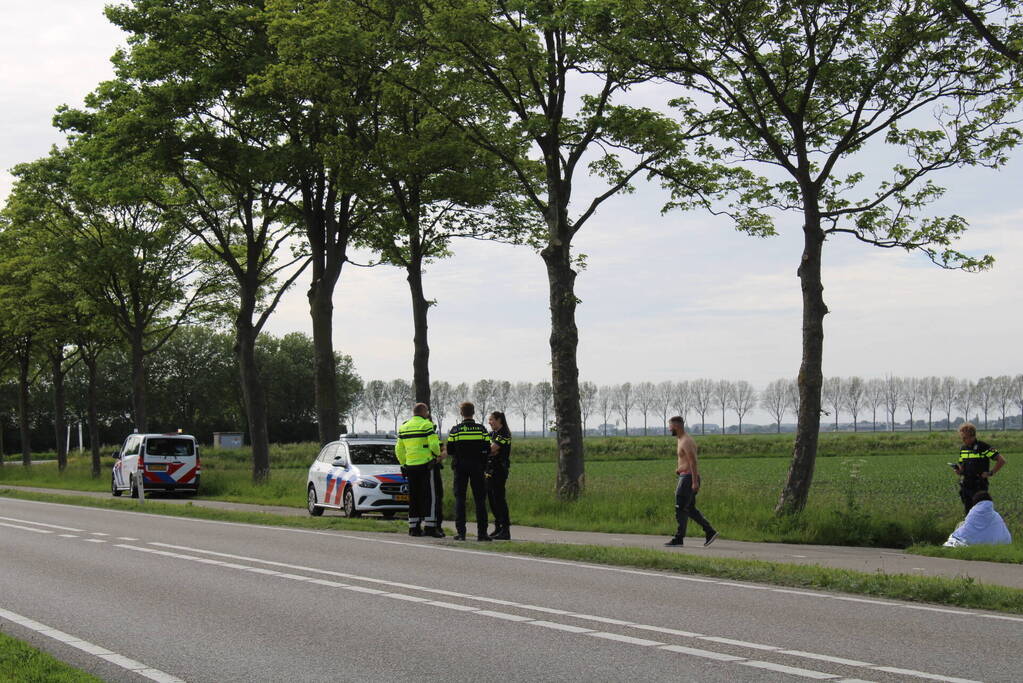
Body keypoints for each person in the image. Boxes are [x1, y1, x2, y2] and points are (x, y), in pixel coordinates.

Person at [664, 416, 718, 548]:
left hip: (688, 479)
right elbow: (686, 462)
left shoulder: (686, 441)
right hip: (685, 477)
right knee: (690, 509)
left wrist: (694, 482)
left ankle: (679, 538)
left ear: (676, 426)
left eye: (670, 426)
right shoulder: (681, 440)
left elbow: (693, 462)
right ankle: (710, 531)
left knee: (680, 508)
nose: (669, 428)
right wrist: (680, 469)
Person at [395, 403, 444, 538]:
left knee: (414, 497)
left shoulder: (404, 427)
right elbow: (434, 444)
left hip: (410, 466)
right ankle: (430, 527)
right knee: (430, 497)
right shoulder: (426, 425)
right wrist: (436, 455)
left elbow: (399, 449)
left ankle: (413, 528)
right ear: (425, 412)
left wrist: (403, 463)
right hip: (426, 465)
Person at [446, 402, 491, 541]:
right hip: (477, 467)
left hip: (460, 467)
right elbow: (487, 449)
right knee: (480, 500)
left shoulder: (456, 430)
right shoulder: (482, 429)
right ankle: (482, 534)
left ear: (461, 413)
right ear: (473, 412)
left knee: (460, 499)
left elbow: (450, 450)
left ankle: (461, 533)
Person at [952, 422, 1006, 516]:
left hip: (979, 487)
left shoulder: (984, 447)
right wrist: (959, 471)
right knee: (968, 515)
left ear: (972, 436)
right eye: (962, 437)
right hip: (966, 486)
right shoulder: (963, 449)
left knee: (981, 514)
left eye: (965, 437)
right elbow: (962, 467)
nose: (963, 440)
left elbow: (1001, 460)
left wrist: (990, 473)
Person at [943, 491, 1012, 547]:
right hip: (998, 543)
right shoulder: (996, 515)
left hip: (971, 541)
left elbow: (967, 527)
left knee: (960, 525)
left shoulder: (973, 512)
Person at [486, 411, 512, 540]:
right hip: (490, 470)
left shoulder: (504, 434)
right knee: (492, 499)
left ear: (499, 419)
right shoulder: (492, 434)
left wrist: (488, 450)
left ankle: (505, 530)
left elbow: (492, 449)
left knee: (499, 499)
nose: (489, 422)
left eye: (491, 419)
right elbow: (487, 448)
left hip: (499, 470)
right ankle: (498, 527)